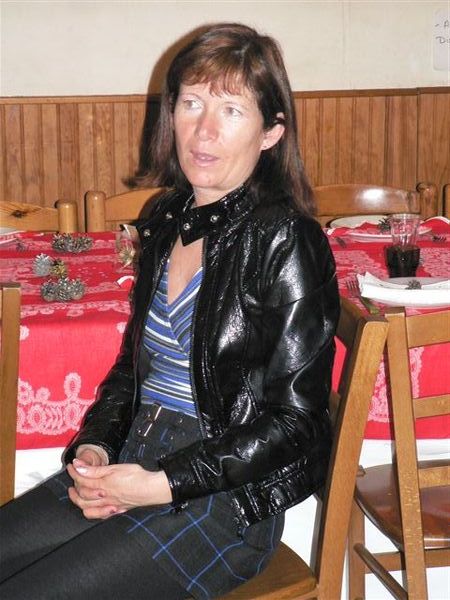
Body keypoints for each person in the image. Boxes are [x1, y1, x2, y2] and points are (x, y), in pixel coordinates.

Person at [0, 22, 339, 599]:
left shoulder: (287, 240)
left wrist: (161, 484)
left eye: (231, 110)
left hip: (226, 500)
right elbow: (133, 369)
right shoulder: (167, 218)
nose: (204, 130)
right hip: (135, 457)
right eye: (192, 103)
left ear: (271, 132)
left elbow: (297, 423)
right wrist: (96, 447)